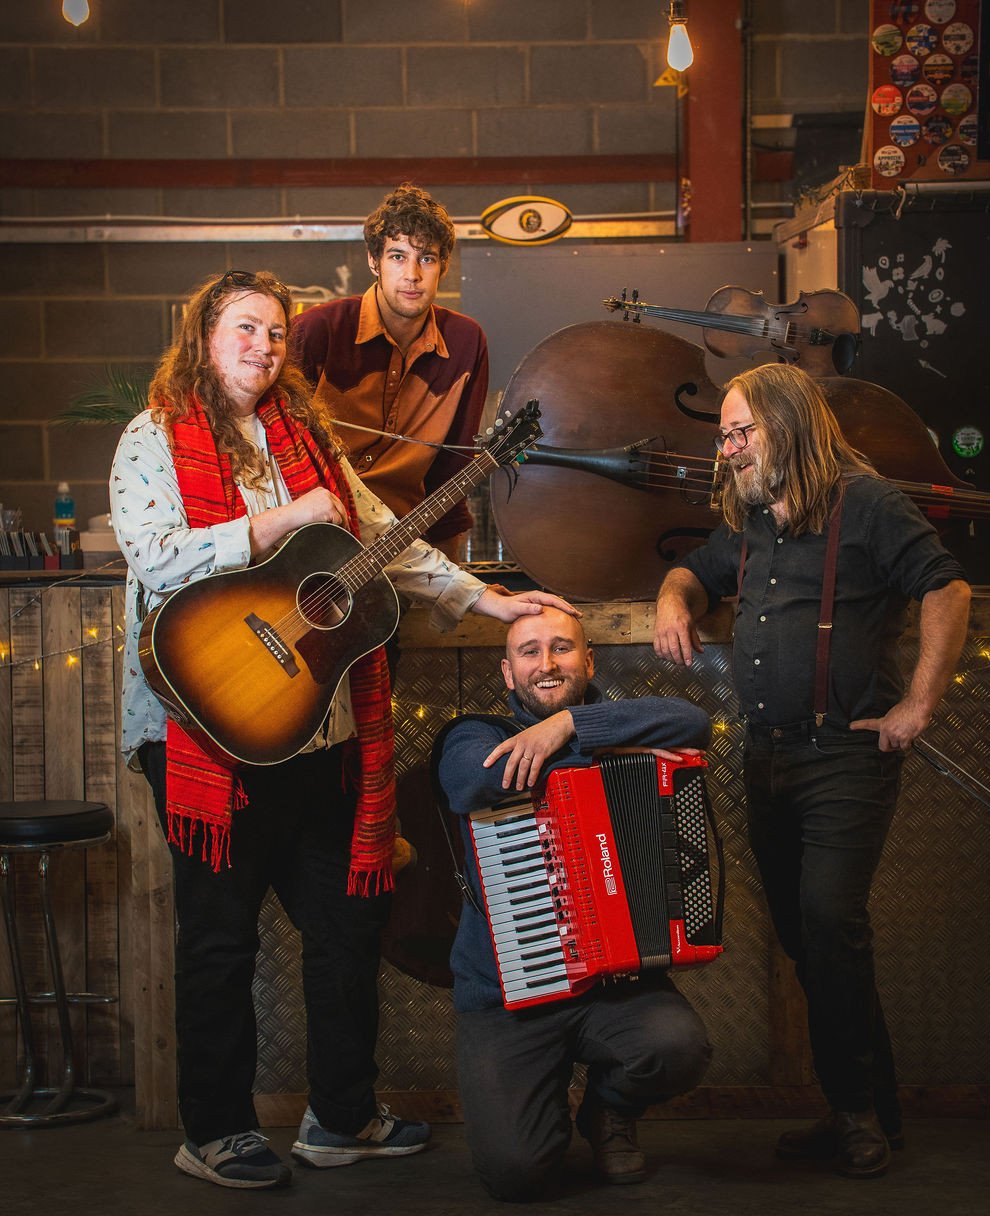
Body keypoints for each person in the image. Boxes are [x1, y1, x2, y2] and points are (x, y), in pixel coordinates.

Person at [109, 269, 576, 1192]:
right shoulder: (155, 434)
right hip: (205, 730)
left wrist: (490, 599)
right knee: (219, 939)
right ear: (205, 335)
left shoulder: (306, 437)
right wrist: (283, 517)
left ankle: (342, 1116)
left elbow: (385, 539)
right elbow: (153, 555)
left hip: (315, 731)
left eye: (277, 333)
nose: (264, 346)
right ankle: (213, 1131)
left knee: (347, 925)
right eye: (245, 328)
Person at [653, 363, 970, 1179]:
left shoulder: (867, 504)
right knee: (810, 938)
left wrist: (919, 707)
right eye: (722, 435)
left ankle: (855, 1116)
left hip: (844, 759)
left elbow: (947, 588)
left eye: (738, 433)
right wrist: (671, 599)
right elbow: (695, 570)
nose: (725, 451)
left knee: (829, 922)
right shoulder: (753, 518)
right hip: (766, 756)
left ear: (787, 424)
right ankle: (875, 1109)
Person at [436, 606, 713, 1201]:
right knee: (517, 1173)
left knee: (678, 1047)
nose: (546, 662)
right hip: (507, 994)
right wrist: (599, 750)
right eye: (529, 651)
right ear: (507, 673)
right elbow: (472, 782)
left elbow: (692, 721)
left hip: (612, 986)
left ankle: (607, 1112)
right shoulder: (472, 733)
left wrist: (567, 729)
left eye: (562, 648)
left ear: (588, 662)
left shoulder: (619, 718)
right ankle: (537, 1104)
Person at [292, 182, 489, 562]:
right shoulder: (319, 331)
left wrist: (453, 573)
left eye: (426, 259)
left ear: (443, 266)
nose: (412, 274)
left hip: (406, 544)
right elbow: (274, 450)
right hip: (316, 543)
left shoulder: (466, 342)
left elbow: (454, 466)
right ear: (374, 261)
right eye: (398, 257)